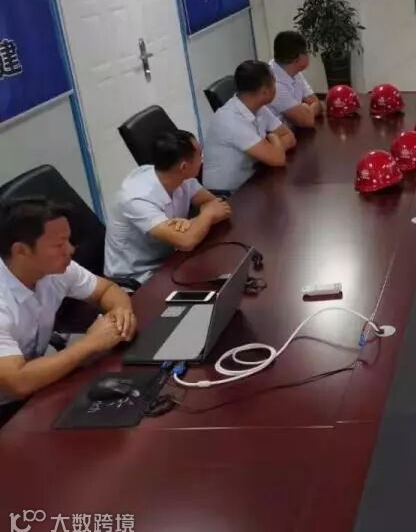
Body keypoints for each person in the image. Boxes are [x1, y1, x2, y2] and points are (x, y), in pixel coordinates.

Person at [0, 199, 137, 424]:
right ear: (21, 251)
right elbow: (17, 383)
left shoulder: (56, 269)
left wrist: (121, 314)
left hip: (38, 387)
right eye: (59, 245)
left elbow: (107, 290)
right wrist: (91, 343)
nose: (70, 250)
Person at [104, 130, 231, 284]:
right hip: (137, 277)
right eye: (200, 155)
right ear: (184, 167)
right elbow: (186, 242)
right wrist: (206, 216)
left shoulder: (180, 177)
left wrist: (192, 223)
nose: (202, 159)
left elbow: (215, 205)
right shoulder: (136, 197)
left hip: (170, 259)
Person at [203, 60, 297, 193]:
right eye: (274, 83)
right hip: (227, 195)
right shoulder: (231, 120)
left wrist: (271, 149)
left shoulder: (257, 107)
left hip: (252, 180)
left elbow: (289, 137)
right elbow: (278, 159)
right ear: (265, 92)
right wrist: (273, 139)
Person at [269, 31, 323, 129]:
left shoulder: (294, 71)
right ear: (298, 58)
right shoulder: (272, 83)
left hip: (290, 131)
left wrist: (306, 111)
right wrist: (305, 110)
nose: (309, 55)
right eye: (307, 52)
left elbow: (316, 103)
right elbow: (307, 121)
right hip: (271, 136)